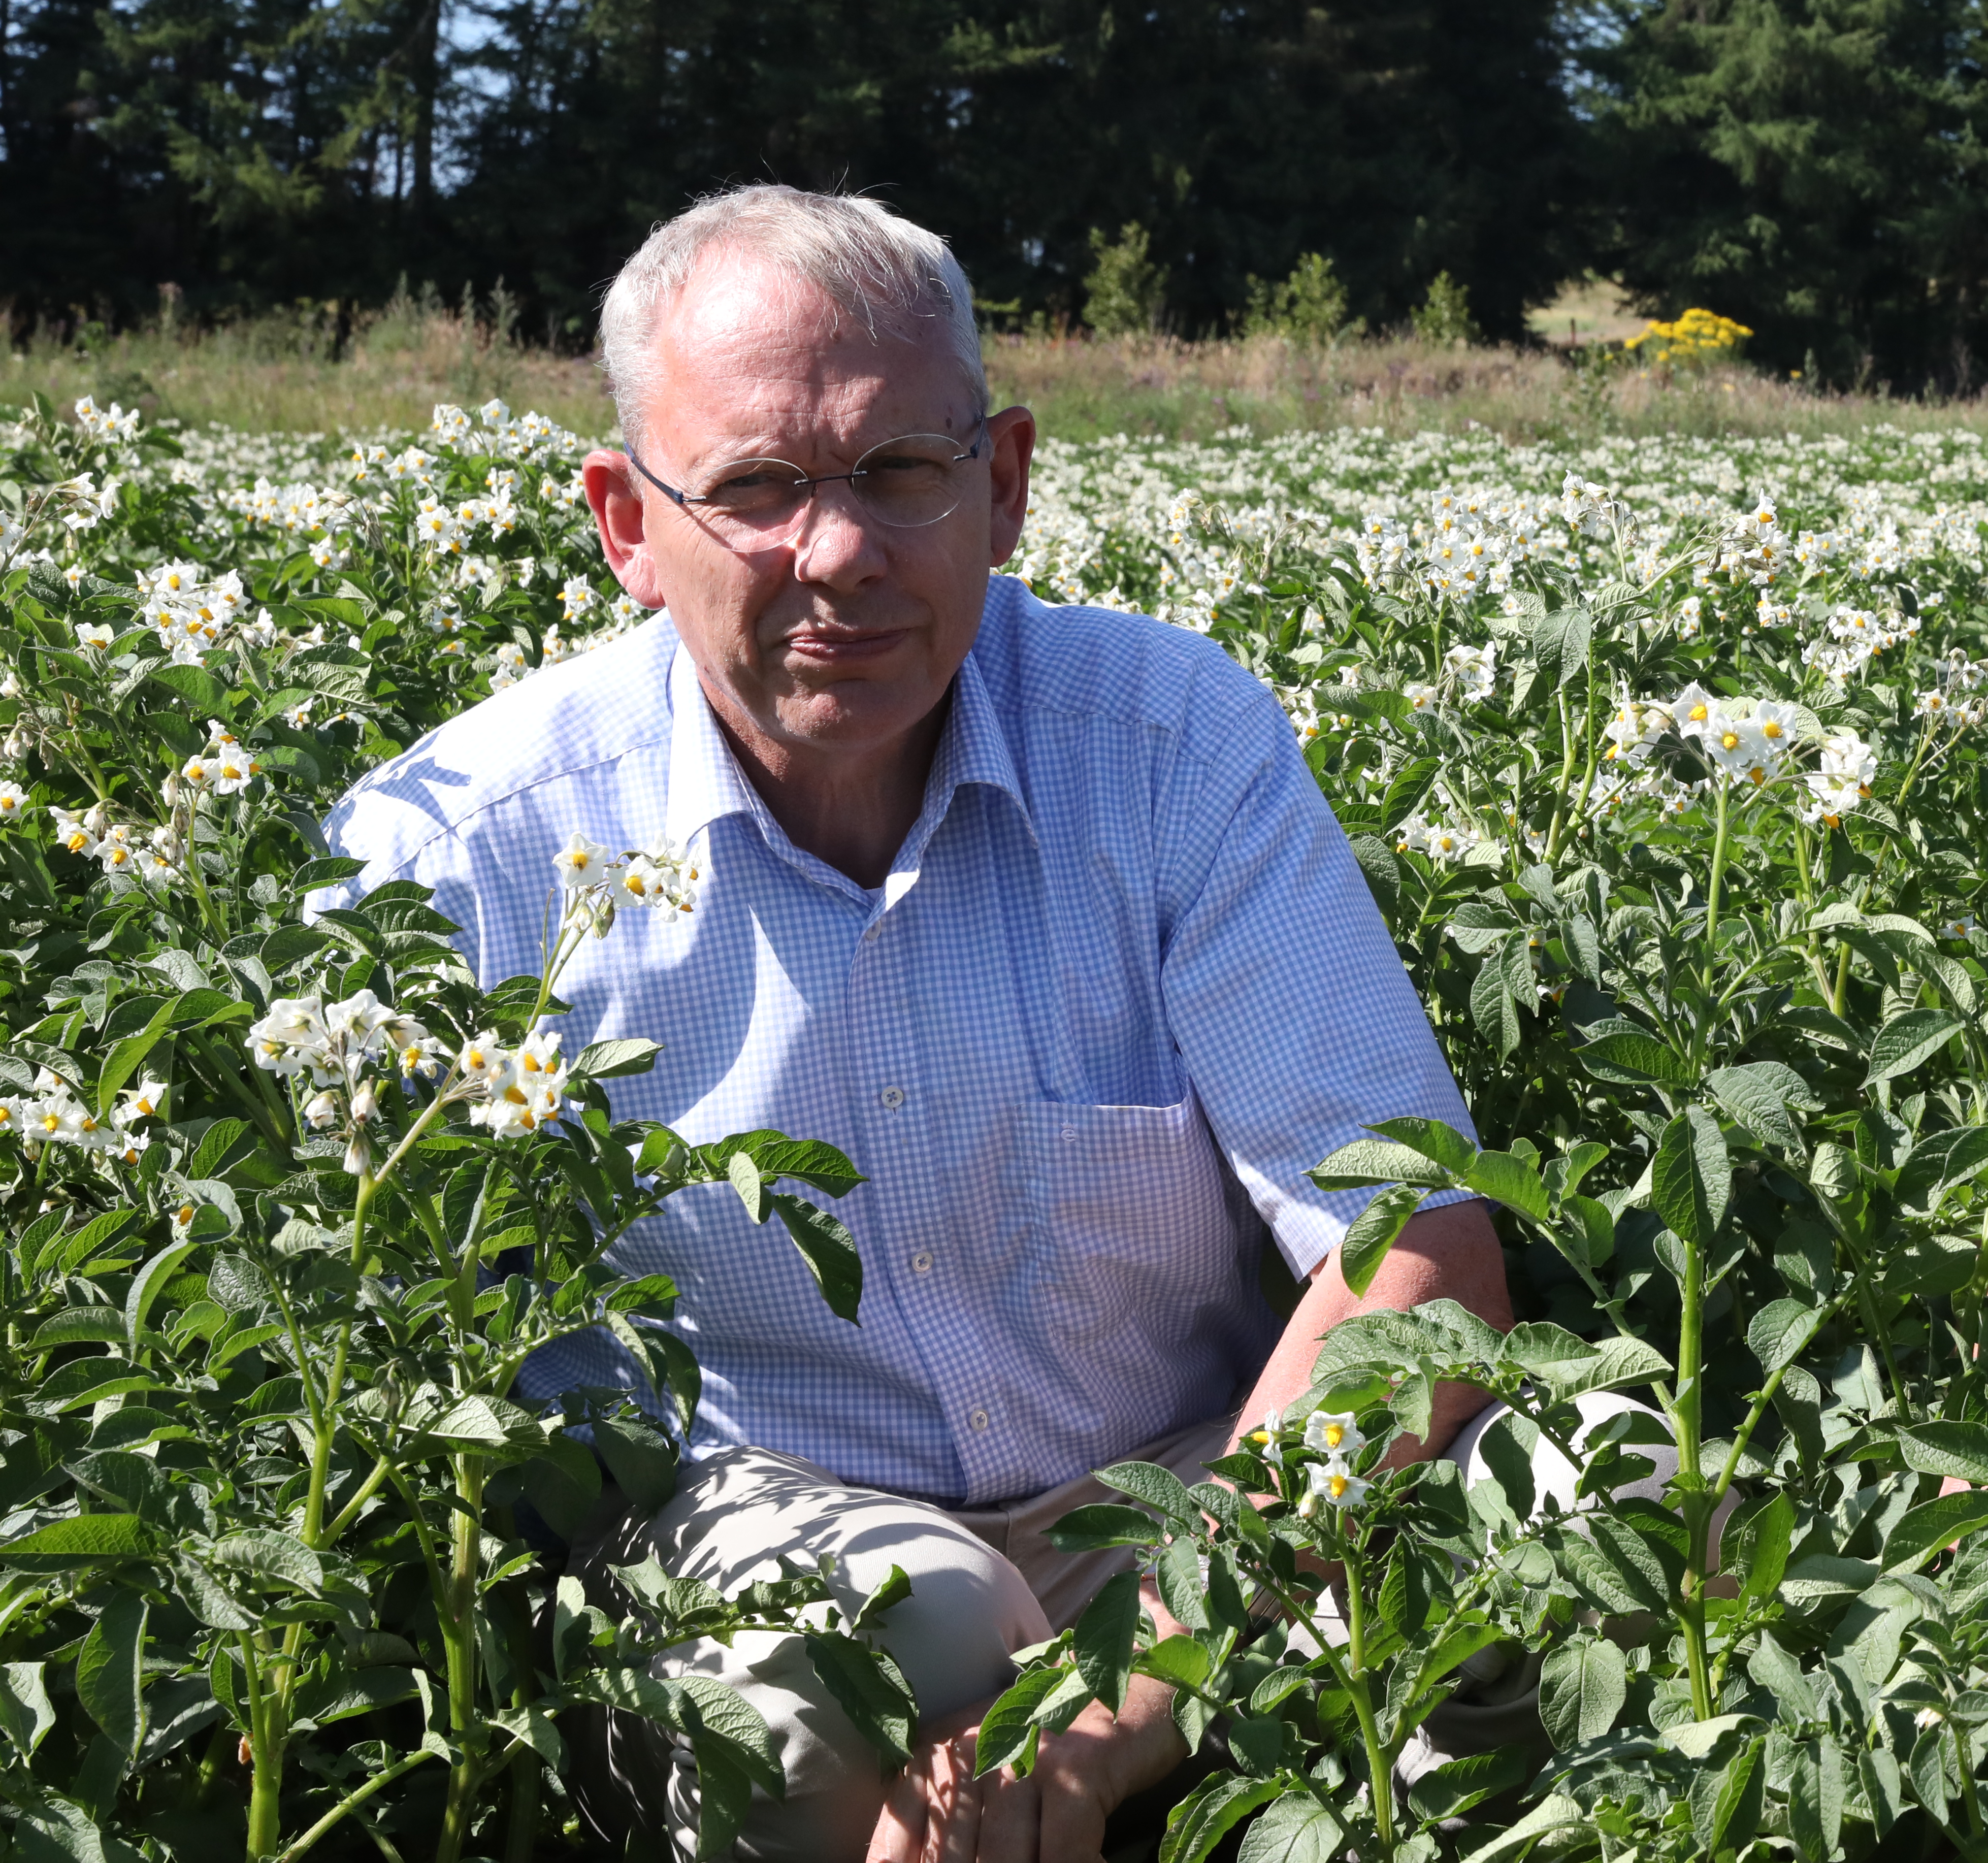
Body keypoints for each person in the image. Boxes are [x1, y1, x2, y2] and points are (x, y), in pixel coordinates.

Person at [323, 187, 1507, 1863]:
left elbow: (1413, 1254)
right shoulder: (458, 854)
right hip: (754, 1520)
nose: (839, 553)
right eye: (752, 490)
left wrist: (1111, 1716)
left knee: (1592, 1493)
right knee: (916, 1622)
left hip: (1183, 1489)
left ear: (1004, 484)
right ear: (624, 524)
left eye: (899, 473)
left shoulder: (1173, 747)